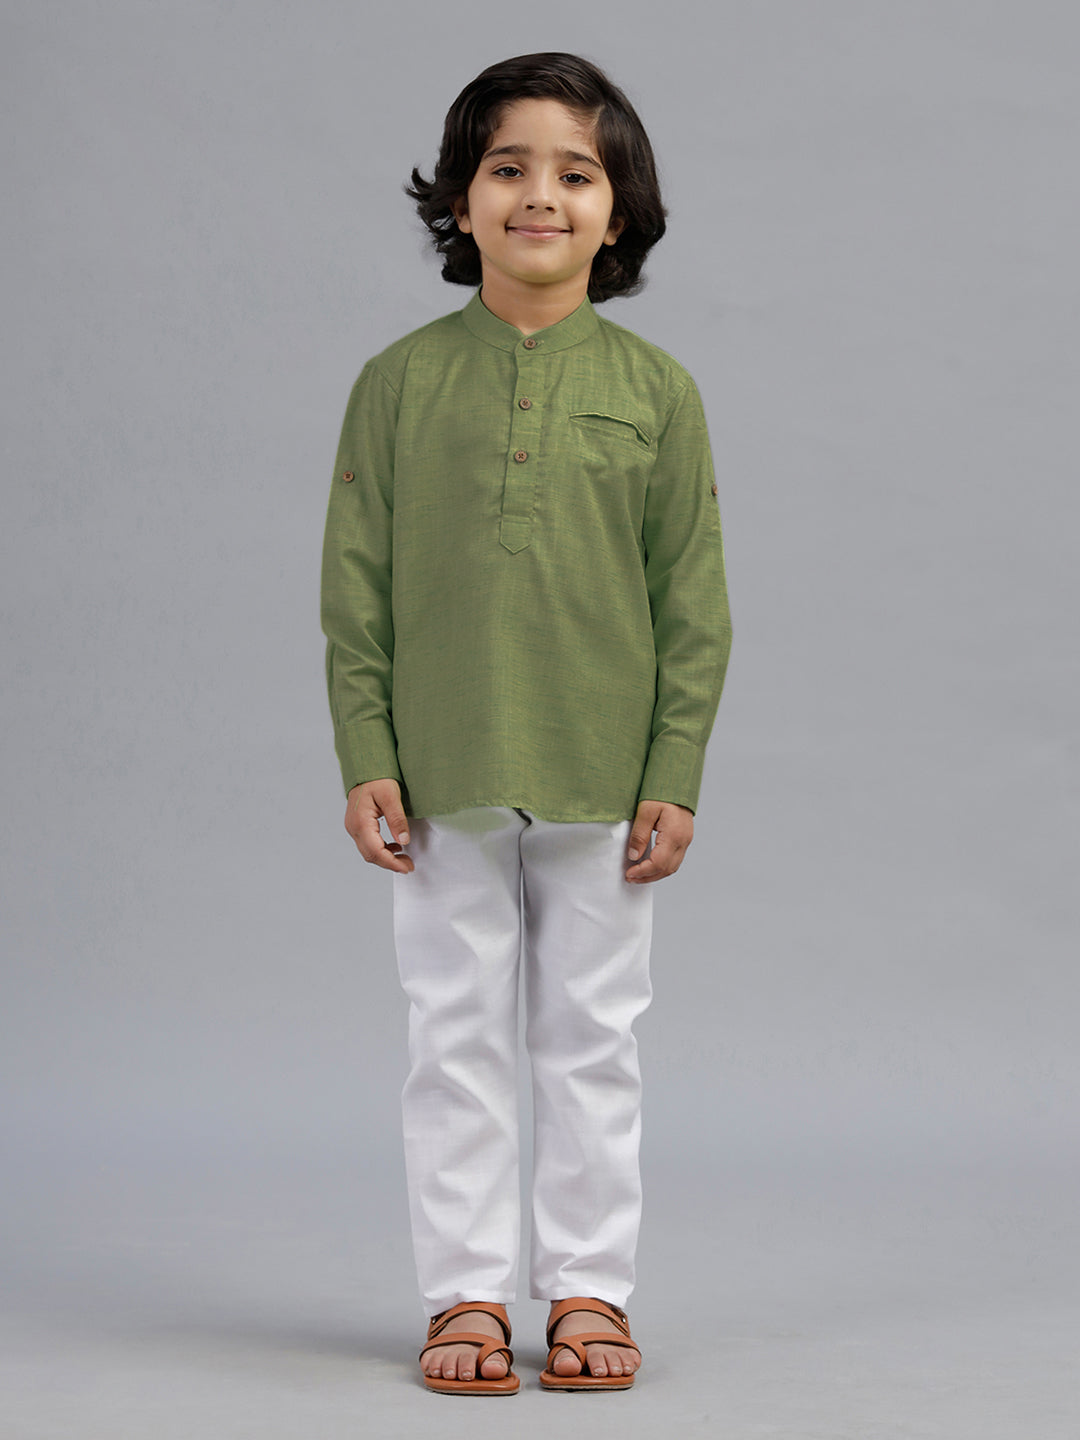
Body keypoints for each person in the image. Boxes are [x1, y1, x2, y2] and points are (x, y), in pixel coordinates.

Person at [321, 51, 733, 1395]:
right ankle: (466, 1298)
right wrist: (367, 754)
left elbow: (693, 603)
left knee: (592, 1039)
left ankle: (590, 1290)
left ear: (620, 214)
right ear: (460, 200)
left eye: (576, 172)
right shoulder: (399, 383)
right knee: (454, 1039)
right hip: (440, 766)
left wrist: (675, 769)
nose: (540, 195)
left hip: (603, 771)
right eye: (508, 168)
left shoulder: (658, 391)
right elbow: (354, 589)